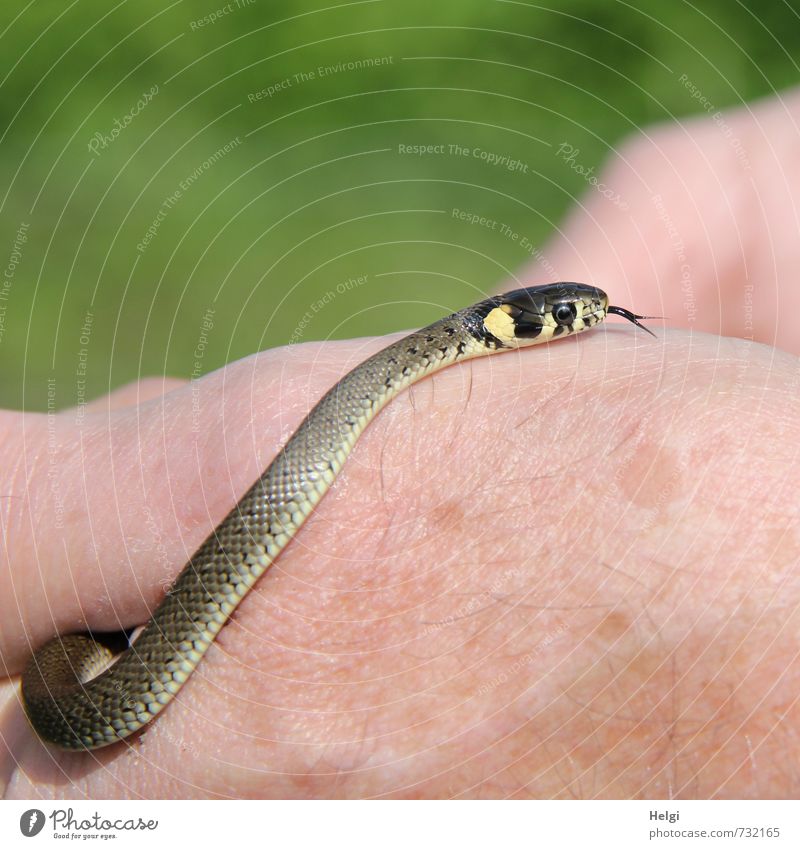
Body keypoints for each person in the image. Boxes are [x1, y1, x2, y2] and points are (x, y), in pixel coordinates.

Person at [2, 90, 798, 798]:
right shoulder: (445, 343)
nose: (578, 322)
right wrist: (742, 181)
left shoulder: (460, 340)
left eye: (572, 316)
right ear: (503, 324)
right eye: (560, 316)